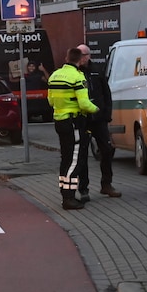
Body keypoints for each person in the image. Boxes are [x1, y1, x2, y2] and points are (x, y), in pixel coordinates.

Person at [48, 47, 100, 210]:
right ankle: (69, 198)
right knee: (75, 159)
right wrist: (97, 110)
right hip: (74, 122)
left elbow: (50, 101)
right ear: (79, 60)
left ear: (66, 58)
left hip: (59, 121)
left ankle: (65, 192)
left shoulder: (54, 75)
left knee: (65, 158)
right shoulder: (77, 77)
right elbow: (84, 103)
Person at [76, 44, 120, 201]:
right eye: (78, 55)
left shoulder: (97, 71)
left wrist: (107, 114)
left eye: (83, 55)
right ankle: (83, 189)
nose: (81, 58)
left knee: (107, 150)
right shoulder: (74, 72)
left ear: (89, 55)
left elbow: (106, 94)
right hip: (82, 120)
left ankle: (106, 184)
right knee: (82, 154)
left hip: (99, 119)